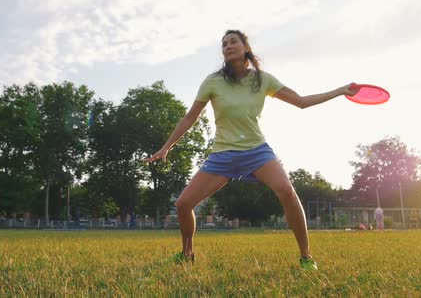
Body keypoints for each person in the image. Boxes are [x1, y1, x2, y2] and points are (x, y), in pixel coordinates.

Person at [144, 30, 358, 270]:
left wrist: (339, 91)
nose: (227, 46)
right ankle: (187, 253)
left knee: (287, 190)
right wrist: (165, 148)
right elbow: (189, 118)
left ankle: (306, 257)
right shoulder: (213, 82)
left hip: (256, 151)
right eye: (223, 44)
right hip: (222, 155)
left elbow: (301, 101)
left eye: (233, 41)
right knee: (183, 204)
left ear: (246, 47)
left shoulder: (263, 80)